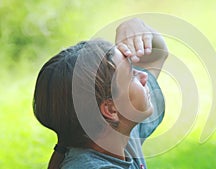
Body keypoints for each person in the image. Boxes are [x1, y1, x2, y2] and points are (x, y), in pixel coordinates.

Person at [33, 18, 168, 169]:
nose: (144, 76)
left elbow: (155, 56)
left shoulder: (117, 134)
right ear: (110, 109)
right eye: (131, 75)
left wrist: (136, 26)